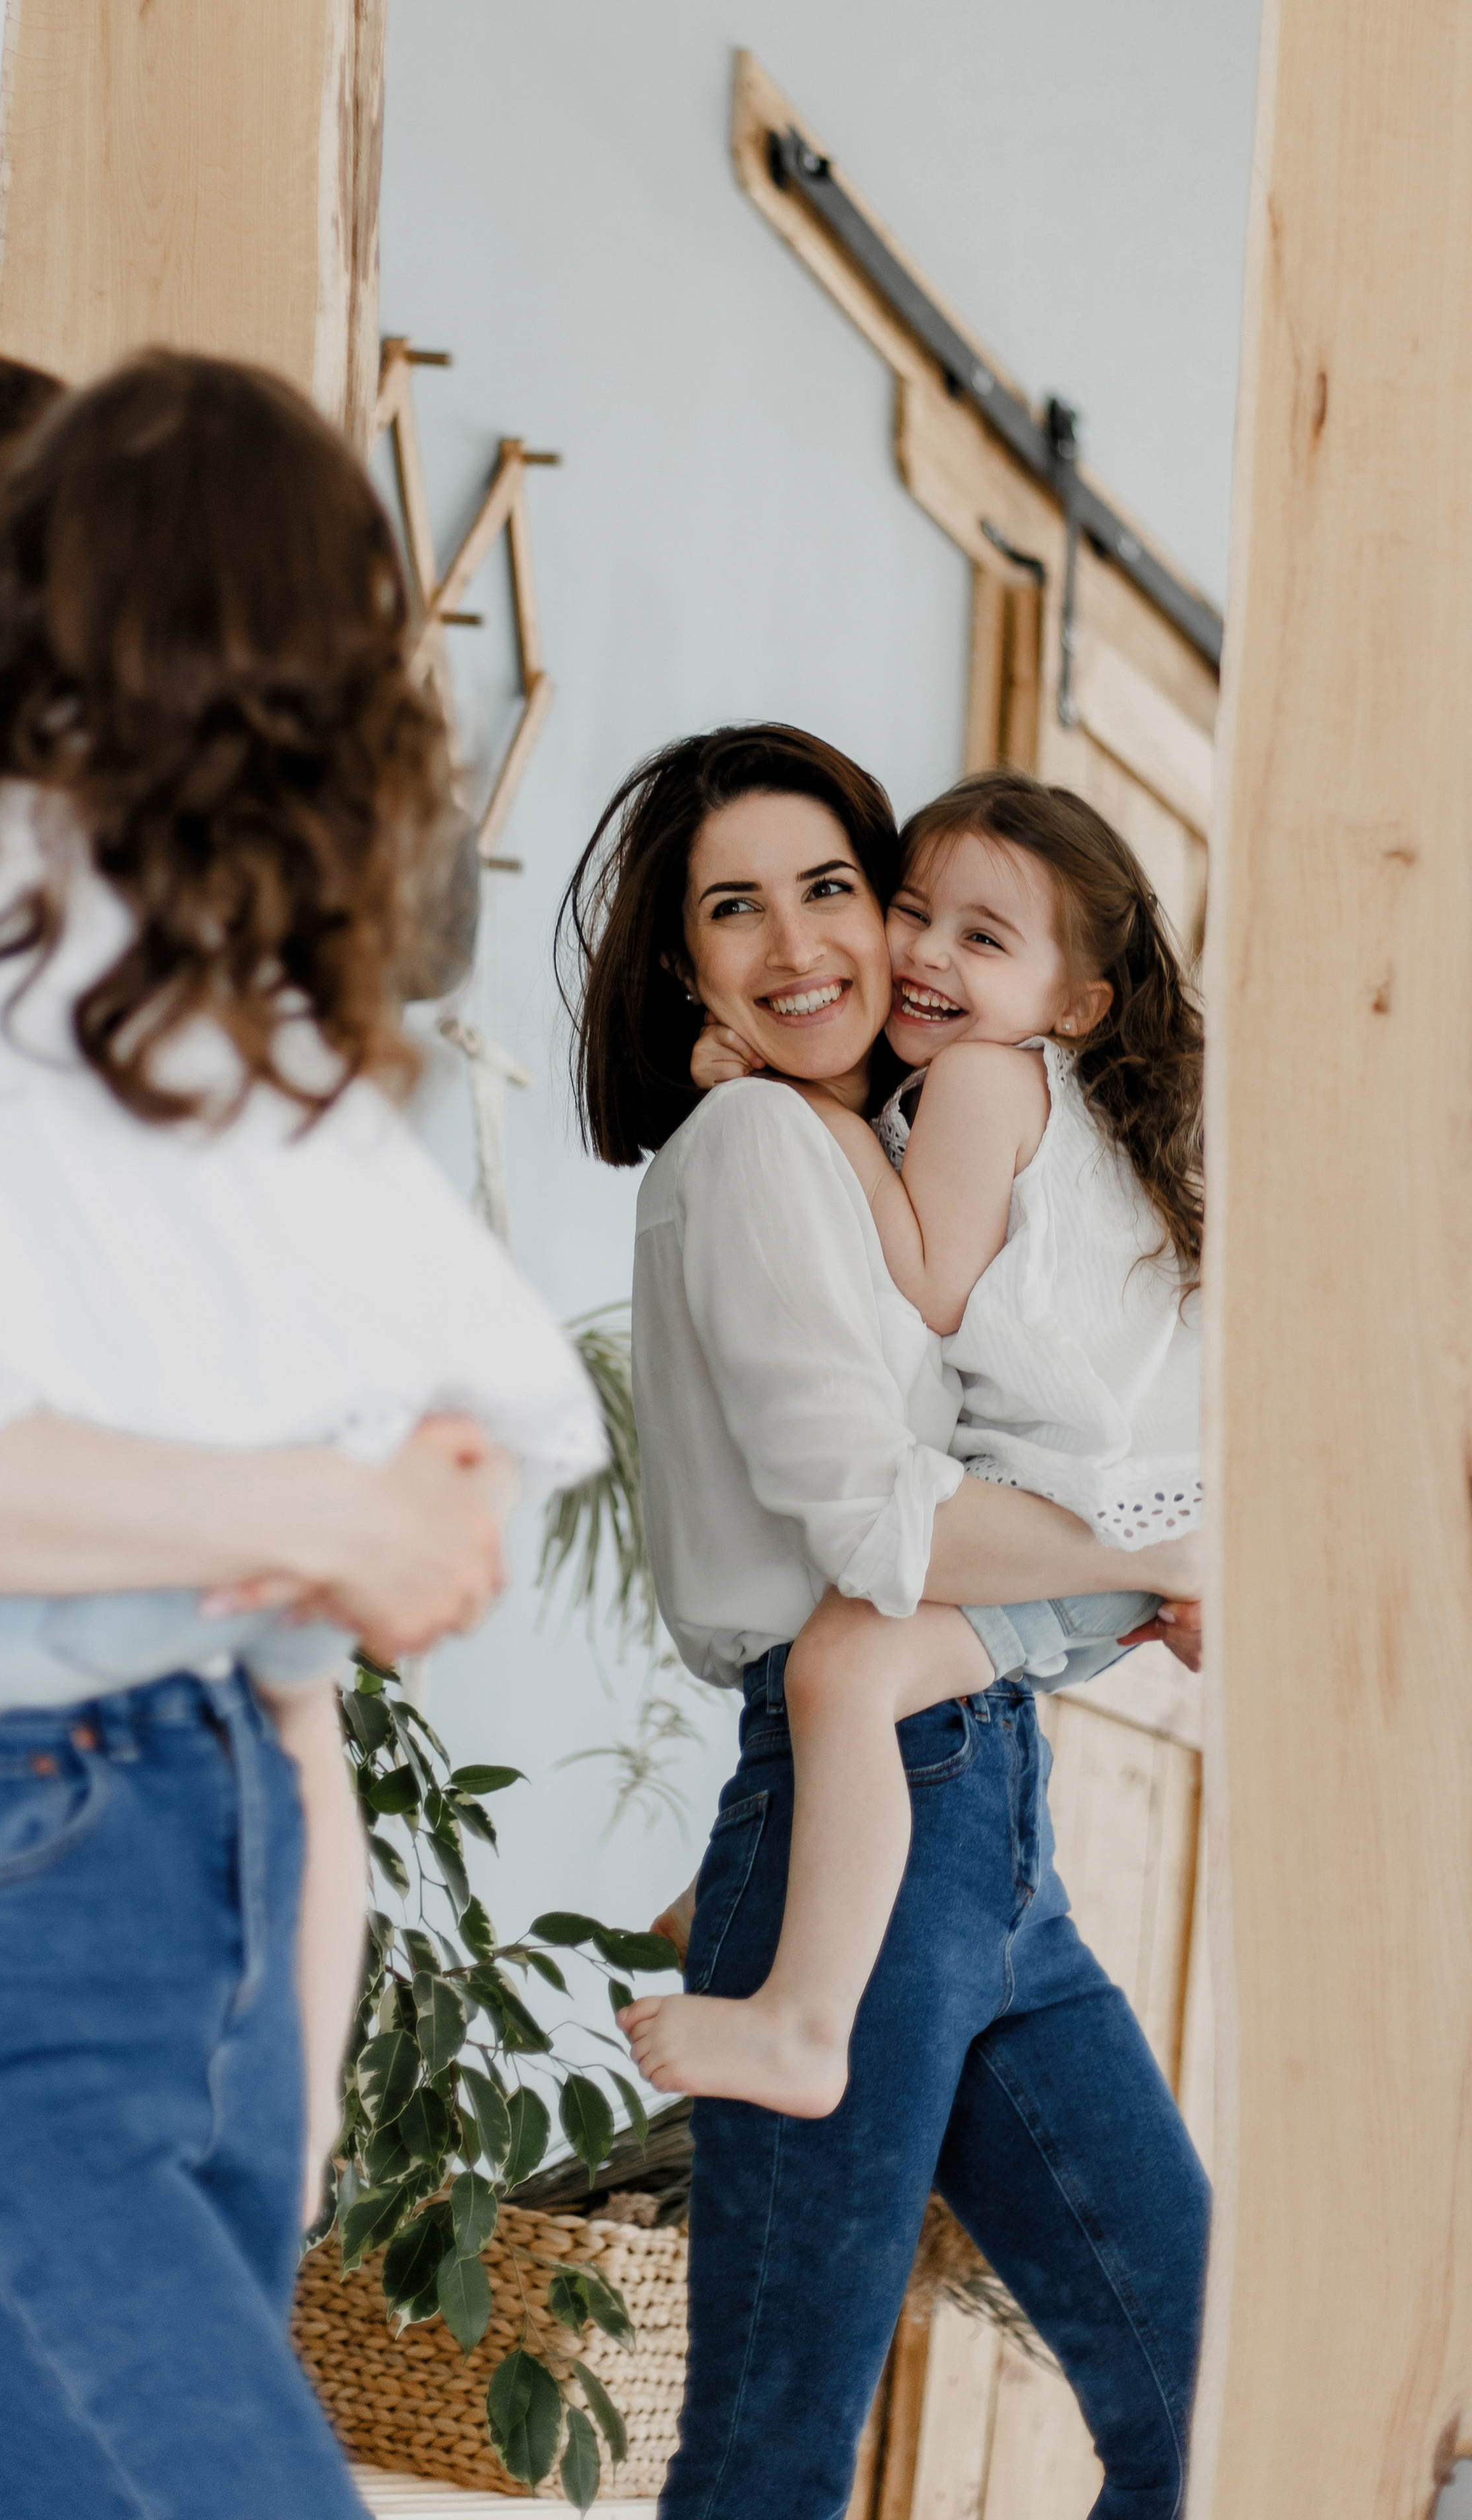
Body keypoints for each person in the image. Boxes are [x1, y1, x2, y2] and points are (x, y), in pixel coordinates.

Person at [0, 348, 600, 2520]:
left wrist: (297, 2090)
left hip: (197, 1856)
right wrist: (303, 1511)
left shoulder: (133, 1035)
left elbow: (303, 1693)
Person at [561, 723, 1209, 2520]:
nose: (814, 945)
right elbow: (879, 1525)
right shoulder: (769, 1138)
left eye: (835, 888)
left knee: (1212, 2403)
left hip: (983, 1820)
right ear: (687, 965)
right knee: (773, 2455)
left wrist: (1129, 1569)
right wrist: (1167, 1554)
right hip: (871, 1816)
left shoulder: (906, 1137)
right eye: (736, 910)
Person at [622, 768, 1201, 2116]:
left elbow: (929, 1286)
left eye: (980, 939)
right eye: (913, 911)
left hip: (1056, 1517)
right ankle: (737, 1909)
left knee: (837, 1668)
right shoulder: (1029, 1089)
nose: (925, 954)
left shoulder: (978, 1087)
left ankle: (800, 2019)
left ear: (1074, 1003)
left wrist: (815, 1116)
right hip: (1088, 1541)